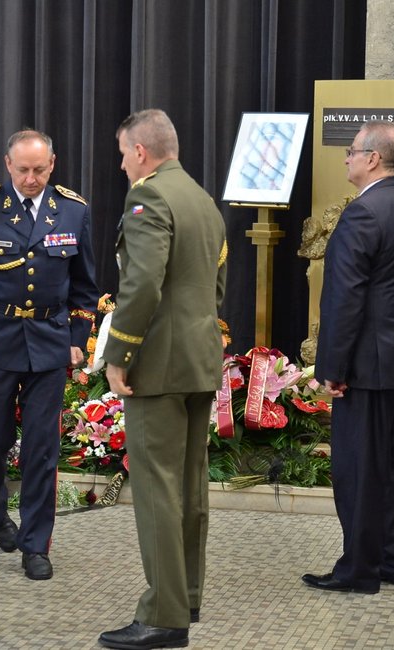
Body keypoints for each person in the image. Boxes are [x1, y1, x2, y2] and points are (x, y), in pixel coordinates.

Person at [0, 129, 99, 580]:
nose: (31, 178)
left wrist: (78, 336)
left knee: (42, 449)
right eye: (23, 170)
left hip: (49, 342)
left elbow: (85, 284)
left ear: (53, 165)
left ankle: (36, 544)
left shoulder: (73, 208)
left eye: (40, 170)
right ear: (8, 165)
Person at [99, 109, 227, 650]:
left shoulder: (148, 198)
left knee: (157, 489)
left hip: (158, 365)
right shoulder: (202, 199)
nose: (123, 163)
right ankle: (187, 596)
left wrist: (118, 352)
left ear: (142, 153)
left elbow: (143, 283)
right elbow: (216, 286)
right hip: (198, 358)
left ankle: (163, 614)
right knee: (191, 487)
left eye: (125, 153)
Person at [303, 120, 394, 594]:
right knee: (391, 466)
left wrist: (333, 369)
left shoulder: (364, 213)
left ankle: (358, 571)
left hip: (369, 368)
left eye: (352, 152)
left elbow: (344, 297)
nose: (347, 159)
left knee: (358, 469)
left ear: (373, 158)